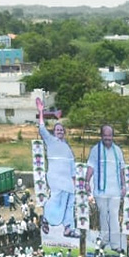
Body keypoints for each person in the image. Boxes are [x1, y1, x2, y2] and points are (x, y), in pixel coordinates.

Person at [36, 98, 78, 238]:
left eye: (61, 130)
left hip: (67, 180)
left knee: (70, 202)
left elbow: (72, 167)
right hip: (55, 178)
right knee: (55, 200)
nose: (60, 131)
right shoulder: (51, 141)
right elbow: (42, 129)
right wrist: (41, 111)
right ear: (54, 132)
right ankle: (46, 220)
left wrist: (74, 182)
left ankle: (68, 227)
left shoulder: (67, 148)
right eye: (57, 130)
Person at [86, 124, 126, 250]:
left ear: (113, 136)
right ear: (101, 135)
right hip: (100, 191)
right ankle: (104, 240)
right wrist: (87, 182)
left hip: (115, 190)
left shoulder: (118, 150)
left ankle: (115, 244)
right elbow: (90, 167)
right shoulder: (95, 150)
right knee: (103, 215)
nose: (108, 138)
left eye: (110, 135)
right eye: (105, 135)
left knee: (114, 216)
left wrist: (124, 185)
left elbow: (122, 169)